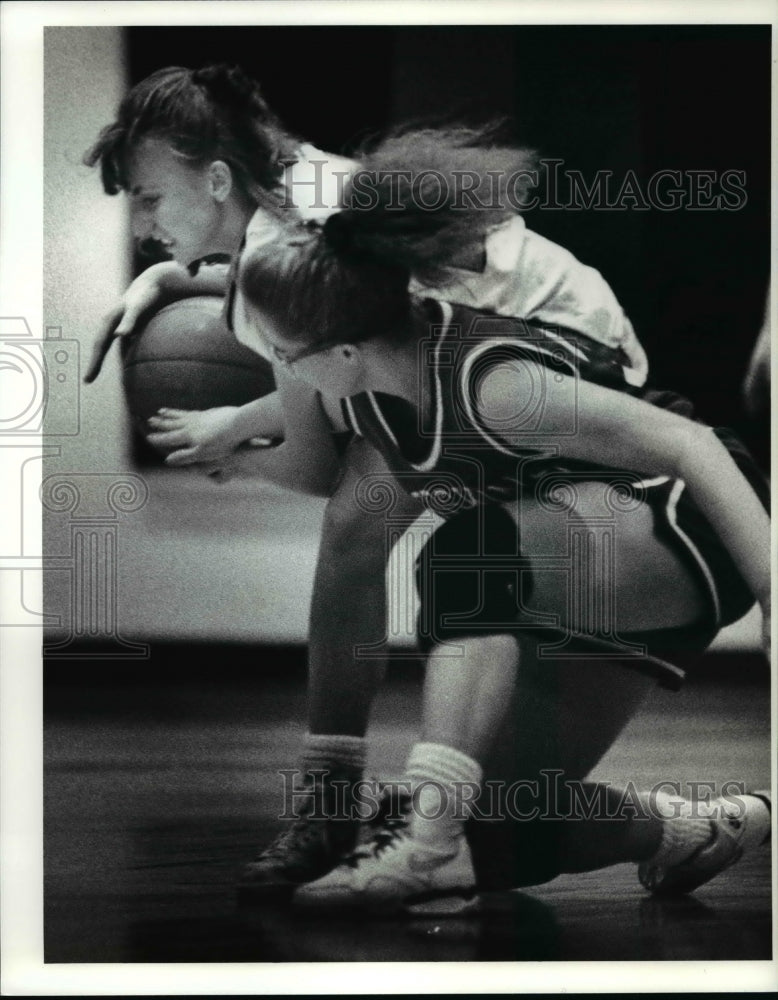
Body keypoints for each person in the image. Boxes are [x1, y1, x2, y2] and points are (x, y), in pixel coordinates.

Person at [84, 64, 717, 900]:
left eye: (148, 197)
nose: (140, 222)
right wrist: (168, 282)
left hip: (563, 358)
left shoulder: (298, 237)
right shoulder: (296, 195)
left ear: (216, 177)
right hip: (569, 350)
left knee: (362, 524)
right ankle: (671, 824)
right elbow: (313, 363)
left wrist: (228, 432)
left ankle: (338, 805)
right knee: (510, 813)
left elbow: (313, 455)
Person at [216, 132, 771, 914]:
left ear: (341, 352)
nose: (281, 370)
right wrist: (237, 452)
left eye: (285, 353)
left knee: (467, 557)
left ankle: (427, 832)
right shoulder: (373, 390)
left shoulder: (493, 383)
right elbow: (318, 476)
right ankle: (692, 830)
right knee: (513, 829)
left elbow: (691, 444)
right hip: (573, 564)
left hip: (679, 521)